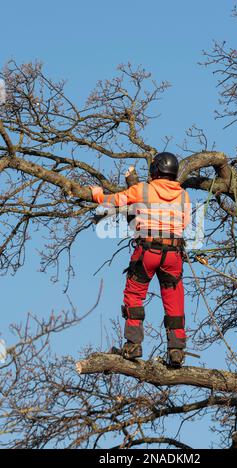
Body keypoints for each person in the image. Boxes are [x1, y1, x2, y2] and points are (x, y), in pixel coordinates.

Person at [90, 152, 191, 366]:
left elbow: (115, 200)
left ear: (155, 171)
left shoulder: (142, 189)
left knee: (134, 294)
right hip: (173, 253)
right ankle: (176, 351)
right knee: (174, 301)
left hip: (148, 251)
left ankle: (133, 345)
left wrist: (98, 195)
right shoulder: (183, 195)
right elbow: (185, 223)